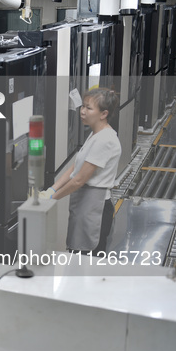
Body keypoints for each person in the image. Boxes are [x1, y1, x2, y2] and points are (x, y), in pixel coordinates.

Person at [41, 88, 122, 253]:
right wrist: (52, 189)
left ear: (103, 114)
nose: (82, 111)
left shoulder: (105, 140)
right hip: (85, 205)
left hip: (95, 209)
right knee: (77, 254)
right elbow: (75, 166)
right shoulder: (95, 134)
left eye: (89, 108)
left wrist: (51, 199)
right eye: (83, 106)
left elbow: (79, 179)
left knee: (87, 261)